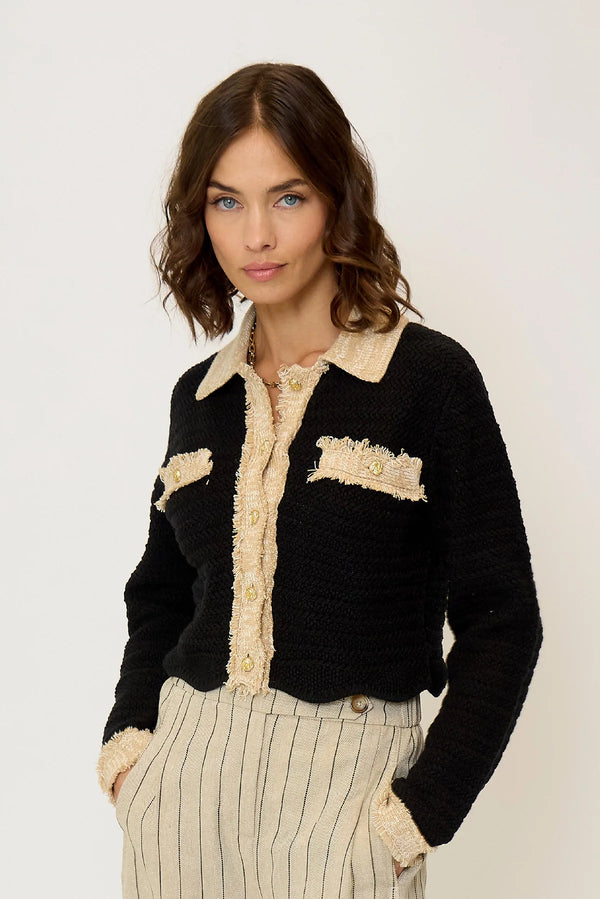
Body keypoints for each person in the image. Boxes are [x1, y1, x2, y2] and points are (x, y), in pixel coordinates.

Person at [97, 62, 542, 899]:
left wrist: (419, 813)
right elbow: (159, 595)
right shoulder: (199, 399)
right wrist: (130, 751)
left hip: (348, 799)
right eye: (227, 202)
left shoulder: (428, 380)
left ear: (338, 198)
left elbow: (503, 618)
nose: (257, 236)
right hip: (183, 789)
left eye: (288, 197)